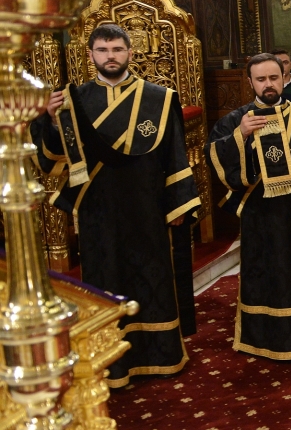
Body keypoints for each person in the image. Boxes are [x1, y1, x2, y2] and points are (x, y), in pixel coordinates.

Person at [33, 23, 201, 388]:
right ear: (91, 55)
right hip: (98, 210)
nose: (110, 56)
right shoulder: (74, 100)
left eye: (117, 49)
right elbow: (53, 158)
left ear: (129, 53)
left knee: (153, 279)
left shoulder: (159, 98)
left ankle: (160, 355)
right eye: (103, 50)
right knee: (104, 282)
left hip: (147, 206)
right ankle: (112, 362)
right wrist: (51, 122)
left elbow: (174, 154)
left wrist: (178, 205)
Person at [208, 54, 291, 359]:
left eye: (273, 77)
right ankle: (262, 336)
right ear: (250, 82)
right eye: (261, 79)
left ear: (284, 78)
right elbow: (216, 159)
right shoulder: (235, 121)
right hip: (259, 217)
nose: (268, 84)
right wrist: (241, 135)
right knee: (263, 276)